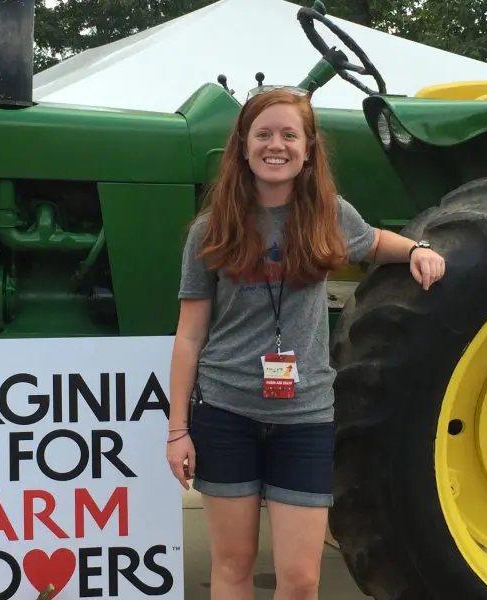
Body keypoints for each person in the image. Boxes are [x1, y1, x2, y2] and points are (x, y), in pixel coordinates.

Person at [165, 87, 446, 600]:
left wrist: (419, 249)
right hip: (226, 416)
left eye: (289, 135)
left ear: (309, 147)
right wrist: (177, 429)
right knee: (233, 568)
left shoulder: (329, 214)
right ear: (243, 146)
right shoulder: (211, 230)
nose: (277, 145)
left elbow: (374, 242)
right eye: (264, 134)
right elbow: (189, 335)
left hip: (305, 418)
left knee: (300, 579)